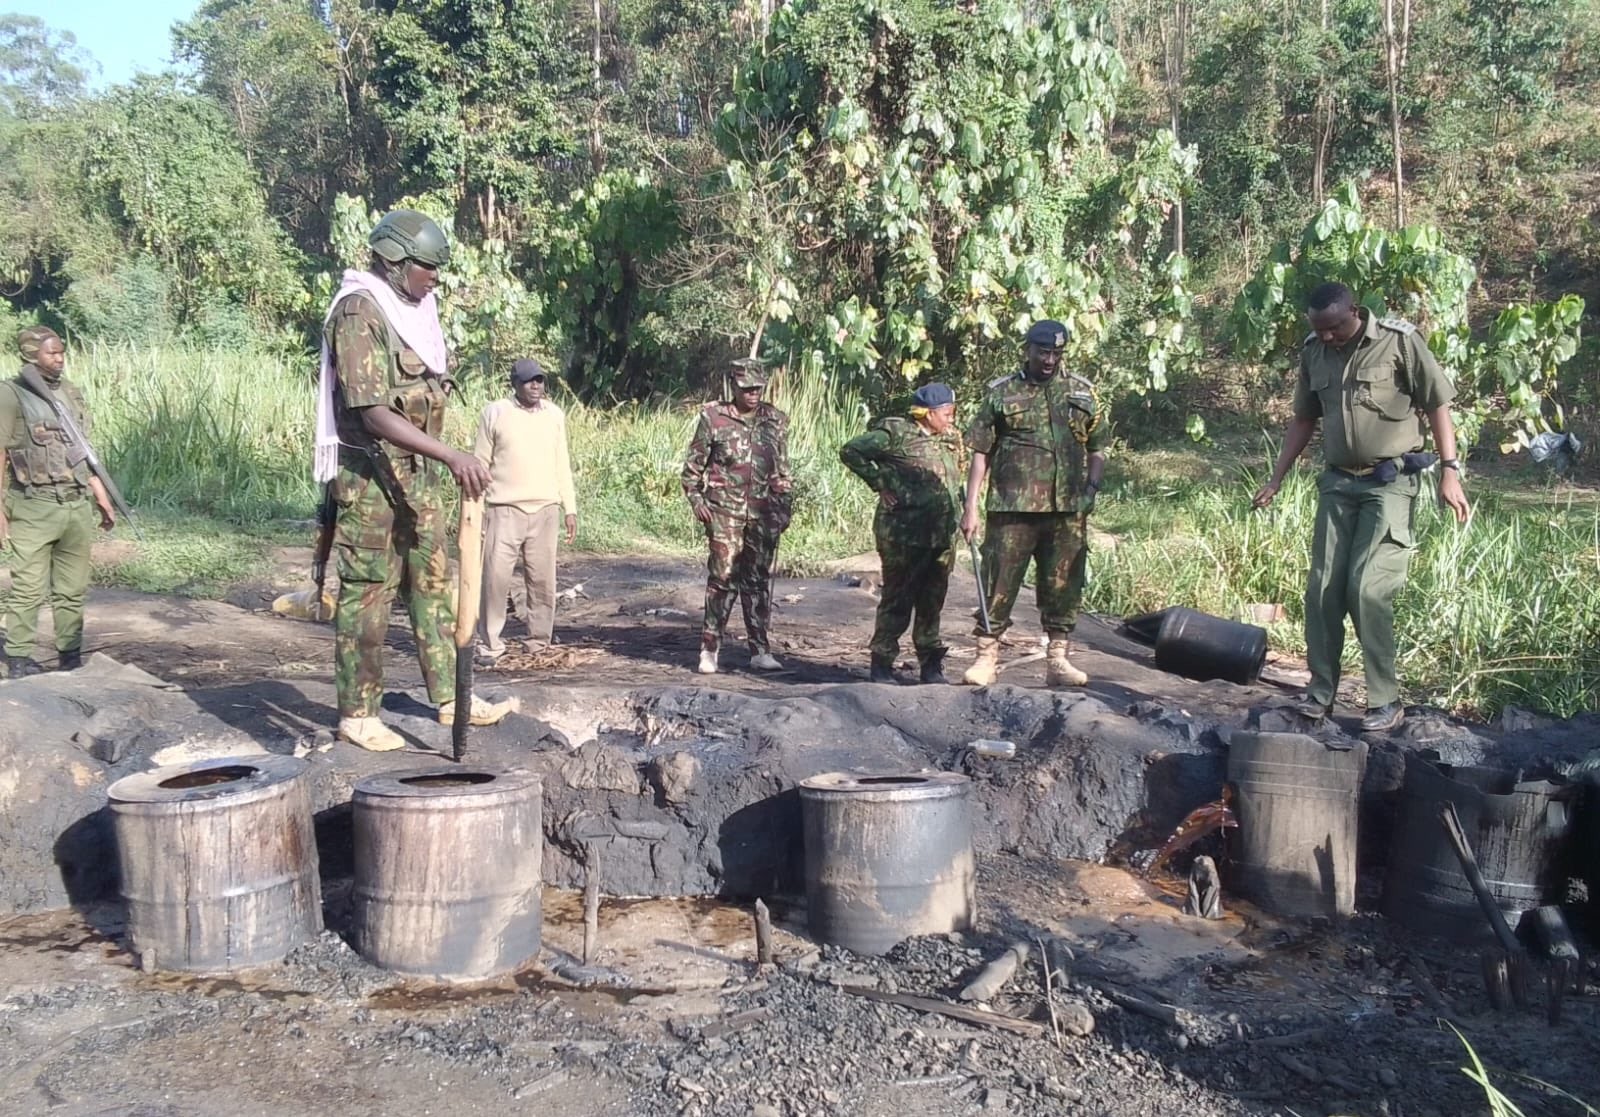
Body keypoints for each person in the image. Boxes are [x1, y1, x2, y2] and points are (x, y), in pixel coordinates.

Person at [314, 209, 511, 751]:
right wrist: (451, 455)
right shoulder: (360, 311)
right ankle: (358, 713)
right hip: (370, 479)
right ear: (394, 259)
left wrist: (439, 460)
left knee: (432, 583)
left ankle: (451, 696)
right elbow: (374, 412)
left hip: (417, 476)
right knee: (368, 591)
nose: (434, 278)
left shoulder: (417, 312)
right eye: (427, 266)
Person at [1253, 282, 1469, 733]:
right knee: (1323, 591)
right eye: (1319, 329)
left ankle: (1385, 700)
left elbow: (1437, 404)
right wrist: (1276, 477)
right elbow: (1304, 418)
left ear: (1354, 310)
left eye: (1333, 327)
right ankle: (1320, 695)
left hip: (1388, 483)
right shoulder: (1314, 351)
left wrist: (1450, 470)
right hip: (1336, 484)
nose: (1328, 336)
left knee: (1368, 589)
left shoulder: (1399, 341)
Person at [960, 319, 1106, 688]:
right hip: (1013, 507)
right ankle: (986, 657)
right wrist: (971, 506)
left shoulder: (1083, 393)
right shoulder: (1002, 393)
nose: (1050, 360)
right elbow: (981, 452)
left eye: (1057, 353)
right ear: (1028, 349)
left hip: (1067, 509)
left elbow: (1098, 447)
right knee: (999, 582)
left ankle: (1057, 659)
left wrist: (1091, 488)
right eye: (1043, 352)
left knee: (1064, 584)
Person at [0, 326, 117, 678]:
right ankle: (19, 659)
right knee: (27, 589)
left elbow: (81, 450)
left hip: (75, 504)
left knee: (72, 589)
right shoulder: (10, 395)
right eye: (52, 353)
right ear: (30, 354)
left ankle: (70, 657)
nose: (59, 359)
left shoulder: (70, 393)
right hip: (33, 505)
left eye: (62, 352)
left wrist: (100, 493)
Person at [840, 382, 964, 684]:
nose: (951, 419)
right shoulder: (895, 434)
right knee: (898, 599)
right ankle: (882, 663)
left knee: (932, 600)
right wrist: (880, 483)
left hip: (941, 536)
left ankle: (931, 664)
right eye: (947, 413)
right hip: (903, 535)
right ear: (928, 413)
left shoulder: (947, 441)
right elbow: (851, 451)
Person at [681, 357, 792, 675]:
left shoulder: (775, 420)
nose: (753, 394)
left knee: (758, 582)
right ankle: (709, 649)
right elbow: (692, 469)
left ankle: (760, 650)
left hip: (763, 513)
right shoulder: (714, 417)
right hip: (724, 512)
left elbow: (782, 470)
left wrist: (784, 508)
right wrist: (696, 500)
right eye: (747, 389)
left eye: (758, 388)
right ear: (734, 386)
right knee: (722, 580)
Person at [472, 357, 578, 662]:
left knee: (543, 580)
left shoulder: (554, 415)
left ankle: (539, 641)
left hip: (545, 509)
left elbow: (562, 463)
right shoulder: (495, 413)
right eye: (530, 381)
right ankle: (490, 643)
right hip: (504, 508)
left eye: (540, 380)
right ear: (515, 384)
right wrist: (476, 513)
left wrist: (569, 508)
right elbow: (480, 464)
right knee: (495, 578)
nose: (536, 386)